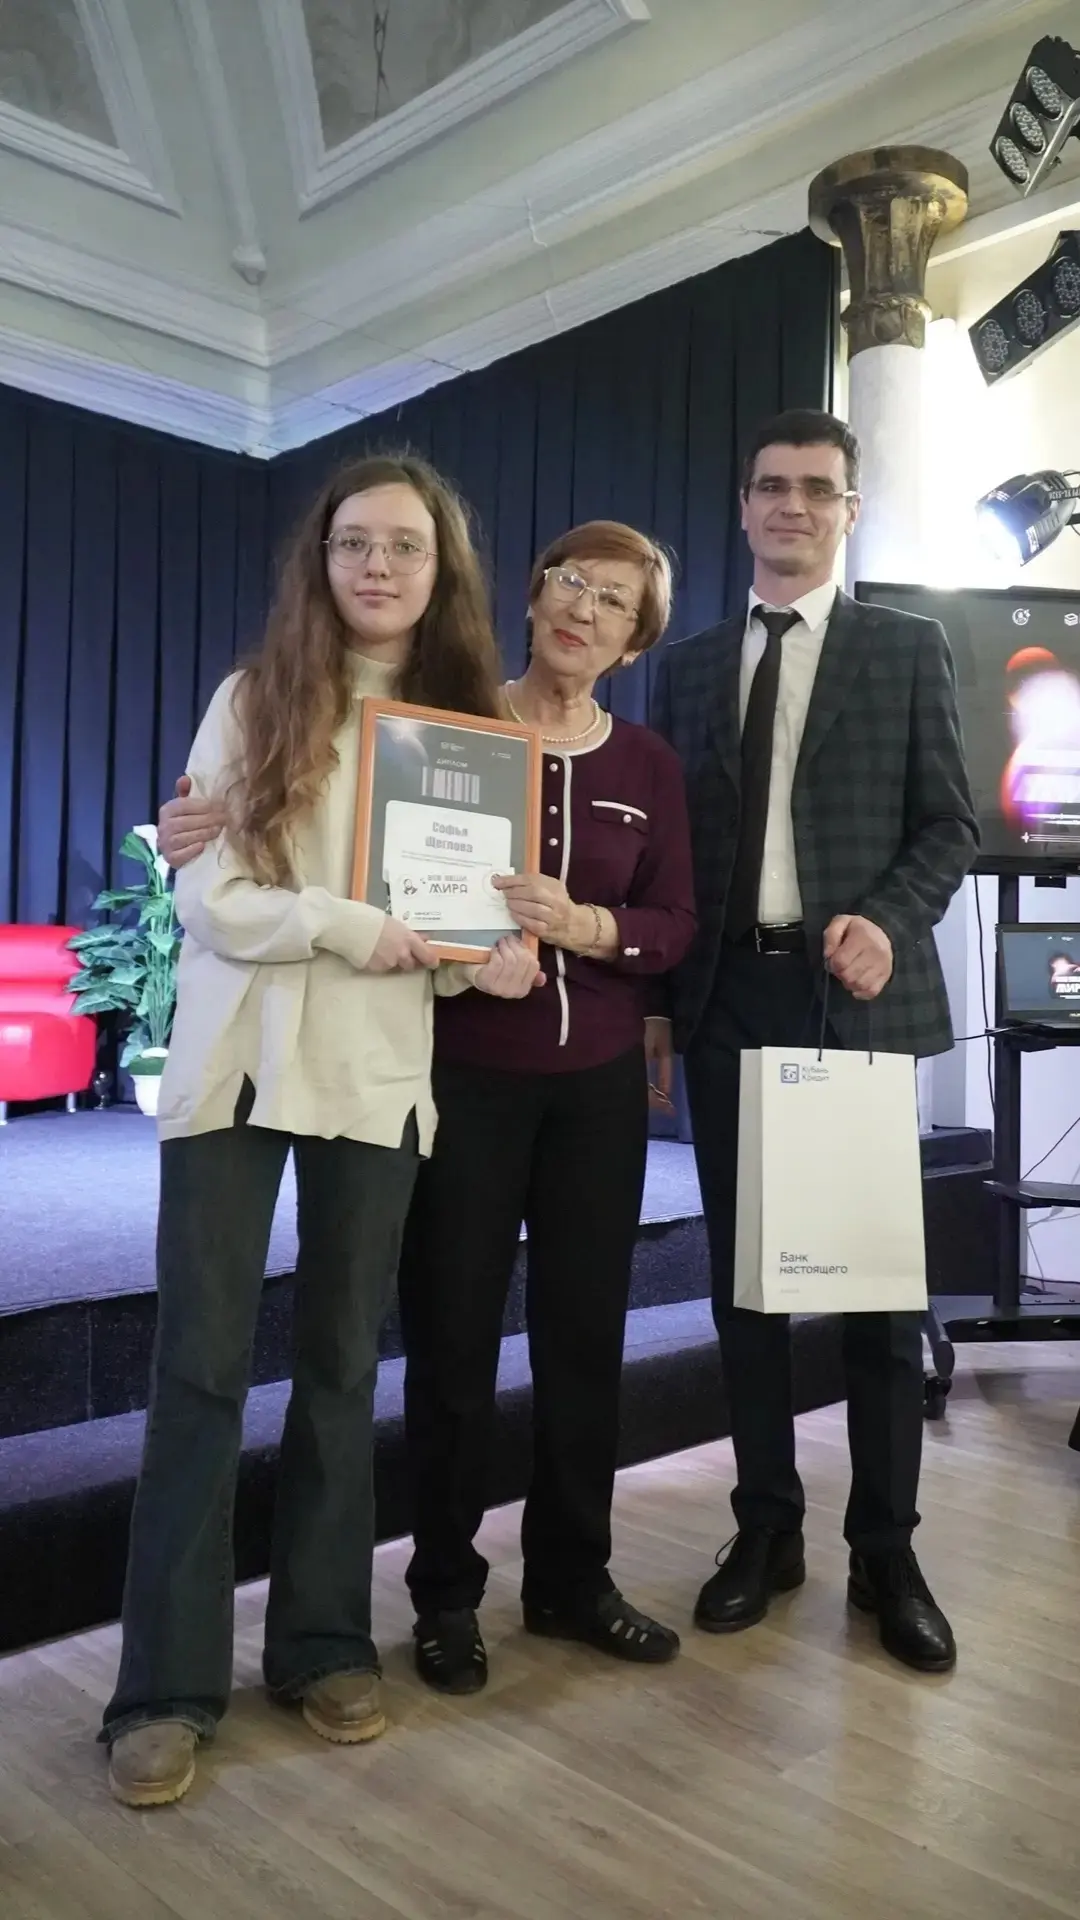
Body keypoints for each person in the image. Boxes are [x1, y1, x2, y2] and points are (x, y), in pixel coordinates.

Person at [161, 518, 697, 1697]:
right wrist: (194, 829)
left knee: (576, 1344)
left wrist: (583, 928)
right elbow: (335, 867)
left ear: (636, 640)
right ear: (530, 595)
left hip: (579, 1085)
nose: (584, 608)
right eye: (570, 581)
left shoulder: (646, 766)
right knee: (445, 1346)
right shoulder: (445, 725)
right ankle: (441, 1596)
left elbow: (671, 926)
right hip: (455, 1074)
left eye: (615, 602)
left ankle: (567, 1581)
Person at [104, 454, 540, 1810]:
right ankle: (163, 1686)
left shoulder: (467, 734)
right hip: (238, 1067)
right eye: (355, 542)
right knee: (199, 1370)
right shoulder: (254, 698)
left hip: (374, 1078)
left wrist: (489, 956)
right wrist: (361, 928)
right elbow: (211, 899)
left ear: (441, 569)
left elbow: (454, 938)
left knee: (345, 1366)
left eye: (405, 546)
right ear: (322, 558)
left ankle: (323, 1644)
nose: (377, 566)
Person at [649, 409, 978, 1674]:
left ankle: (886, 1551)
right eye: (773, 486)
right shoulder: (686, 668)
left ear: (849, 510)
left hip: (853, 1001)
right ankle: (767, 1529)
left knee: (879, 1302)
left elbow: (948, 825)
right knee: (746, 1288)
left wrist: (888, 923)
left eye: (819, 489)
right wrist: (664, 1005)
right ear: (743, 506)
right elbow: (671, 858)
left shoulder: (907, 648)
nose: (794, 505)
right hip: (729, 1001)